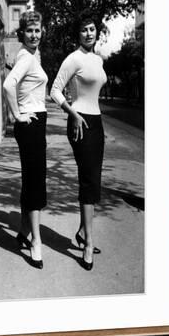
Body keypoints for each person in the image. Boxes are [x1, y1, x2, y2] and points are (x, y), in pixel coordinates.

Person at [50, 17, 107, 270]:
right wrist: (72, 113)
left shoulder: (98, 59)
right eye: (83, 29)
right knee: (88, 179)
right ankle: (87, 243)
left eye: (92, 29)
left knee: (94, 180)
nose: (88, 33)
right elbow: (55, 90)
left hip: (97, 123)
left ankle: (84, 233)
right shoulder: (73, 59)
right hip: (79, 122)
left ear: (97, 32)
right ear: (78, 34)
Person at [3, 11, 48, 269]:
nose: (34, 35)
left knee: (32, 179)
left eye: (37, 30)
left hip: (35, 122)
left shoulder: (32, 56)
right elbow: (9, 85)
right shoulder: (25, 57)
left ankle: (23, 231)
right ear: (23, 33)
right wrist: (18, 116)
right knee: (34, 182)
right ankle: (36, 242)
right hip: (29, 124)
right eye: (30, 30)